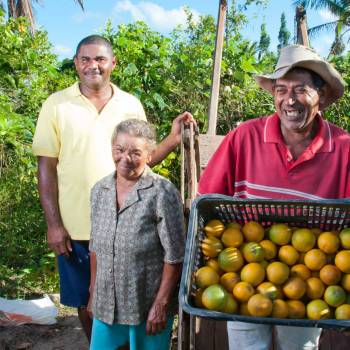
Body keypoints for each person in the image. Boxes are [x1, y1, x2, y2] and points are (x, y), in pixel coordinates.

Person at [32, 34, 193, 342]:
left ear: (113, 64)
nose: (93, 65)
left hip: (132, 229)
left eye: (100, 59)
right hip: (77, 227)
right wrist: (54, 224)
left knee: (132, 302)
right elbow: (46, 167)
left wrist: (172, 139)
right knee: (88, 302)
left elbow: (142, 159)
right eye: (86, 59)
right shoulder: (57, 105)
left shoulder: (129, 103)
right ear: (76, 63)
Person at [198, 44, 350, 349]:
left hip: (312, 286)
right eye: (281, 90)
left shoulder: (344, 148)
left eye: (300, 89)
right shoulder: (244, 138)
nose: (289, 100)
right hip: (241, 280)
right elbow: (207, 201)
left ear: (320, 96)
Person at [88, 119, 185, 350]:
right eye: (119, 150)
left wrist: (160, 305)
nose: (125, 158)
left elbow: (175, 255)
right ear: (112, 148)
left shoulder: (162, 191)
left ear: (150, 155)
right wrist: (93, 292)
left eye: (135, 153)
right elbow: (95, 248)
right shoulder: (100, 190)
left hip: (146, 307)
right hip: (106, 303)